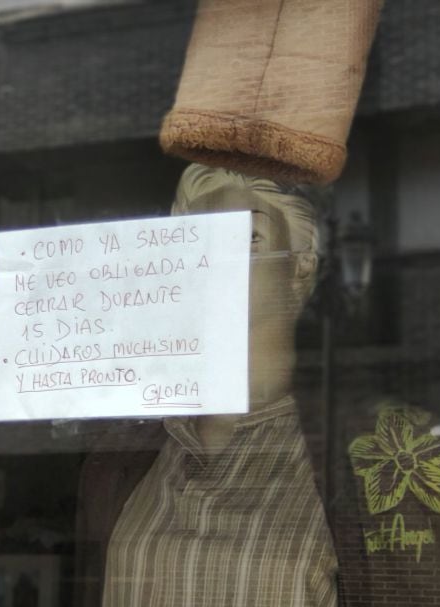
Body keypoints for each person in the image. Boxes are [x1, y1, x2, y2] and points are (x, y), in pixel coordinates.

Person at [98, 163, 336, 607]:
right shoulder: (125, 459)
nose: (216, 261)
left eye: (247, 238)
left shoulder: (358, 454)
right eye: (198, 243)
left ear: (302, 262)